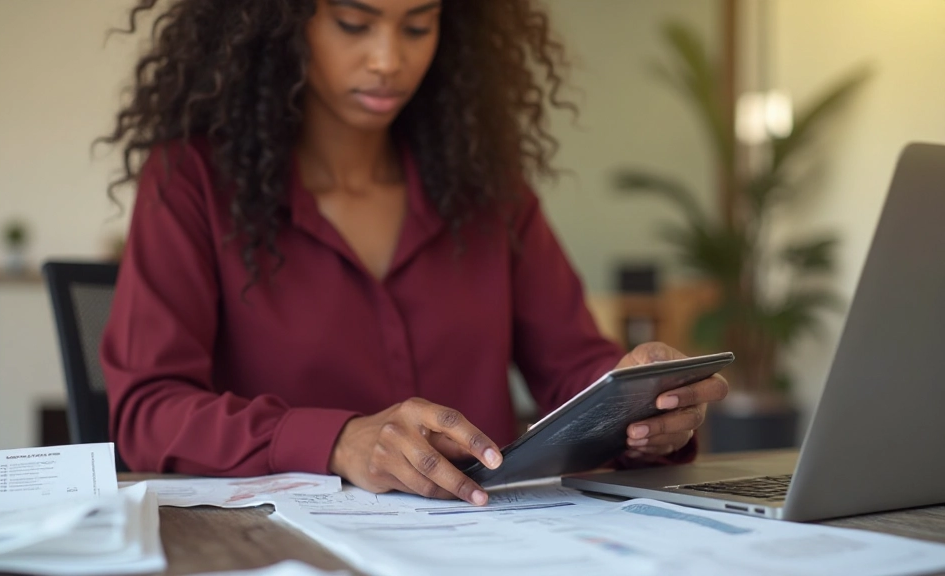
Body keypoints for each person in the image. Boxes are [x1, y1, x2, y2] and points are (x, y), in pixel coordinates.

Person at [100, 0, 728, 507]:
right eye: (354, 22)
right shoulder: (191, 179)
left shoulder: (487, 187)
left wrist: (640, 409)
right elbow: (149, 411)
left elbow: (572, 368)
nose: (388, 59)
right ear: (280, 19)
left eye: (419, 24)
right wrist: (339, 441)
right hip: (273, 549)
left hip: (484, 543)